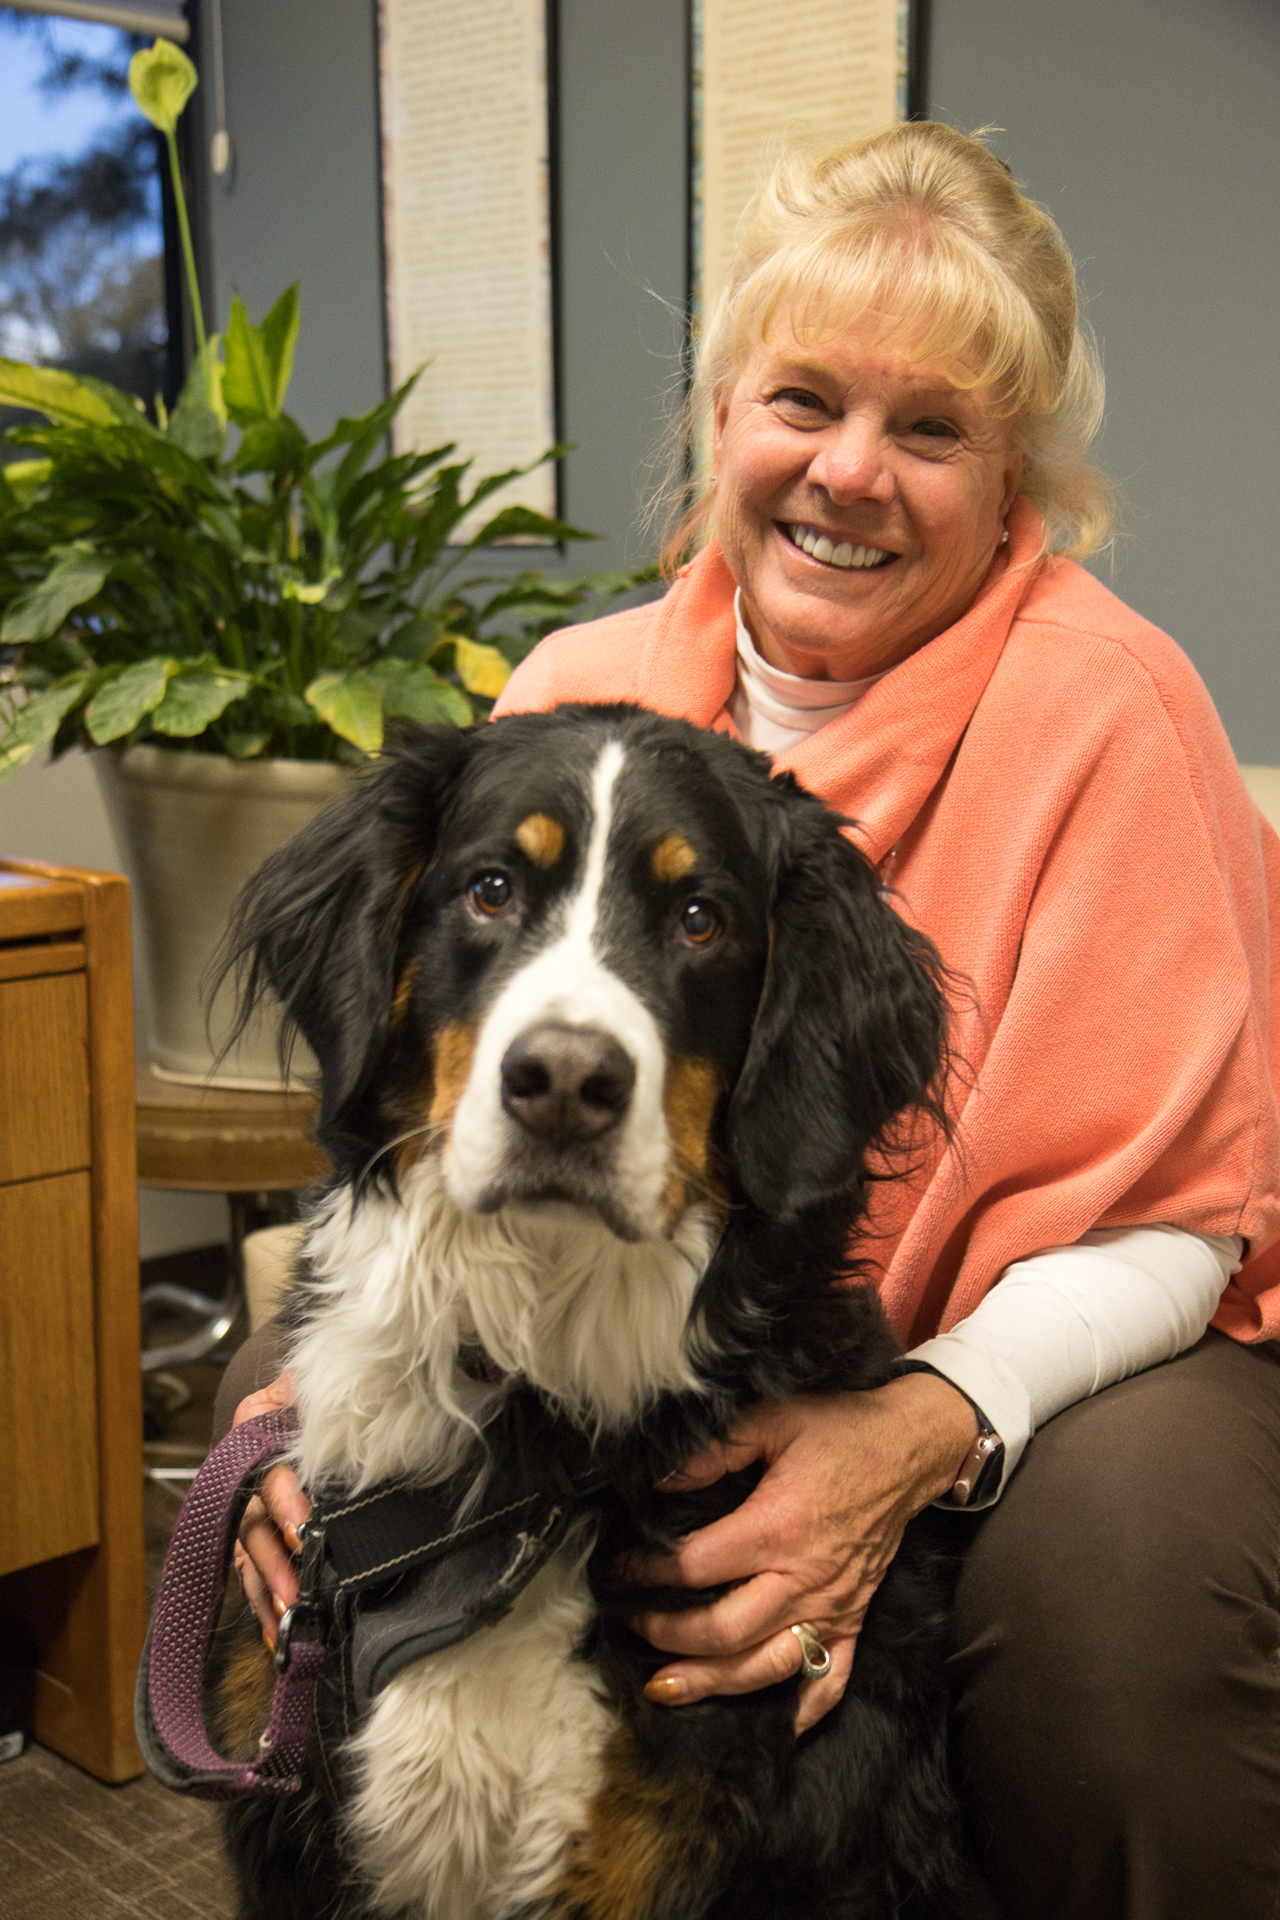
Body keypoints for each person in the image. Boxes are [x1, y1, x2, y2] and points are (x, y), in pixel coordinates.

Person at [218, 123, 1280, 1919]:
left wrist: (923, 1424)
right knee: (292, 1492)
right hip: (641, 1325)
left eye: (929, 427)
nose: (850, 473)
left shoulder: (1114, 710)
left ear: (1014, 468)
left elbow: (1182, 1213)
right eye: (804, 400)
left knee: (1117, 1587)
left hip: (1061, 1358)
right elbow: (401, 1101)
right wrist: (274, 1432)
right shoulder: (576, 686)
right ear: (722, 421)